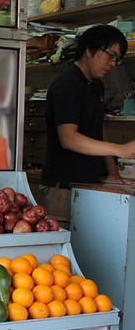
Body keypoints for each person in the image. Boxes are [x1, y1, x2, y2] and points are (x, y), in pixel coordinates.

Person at [40, 24, 135, 227]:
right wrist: (121, 150)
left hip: (87, 184)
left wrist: (113, 172)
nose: (112, 63)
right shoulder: (68, 85)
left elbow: (99, 128)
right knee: (66, 254)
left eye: (116, 59)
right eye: (110, 55)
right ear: (90, 50)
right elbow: (68, 138)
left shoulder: (95, 85)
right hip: (64, 188)